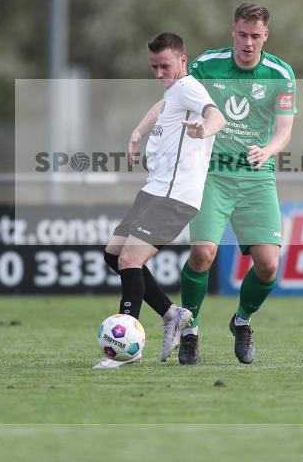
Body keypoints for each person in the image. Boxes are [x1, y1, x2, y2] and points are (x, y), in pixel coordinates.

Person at [131, 3, 296, 365]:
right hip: (211, 174)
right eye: (242, 34)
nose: (248, 43)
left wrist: (267, 150)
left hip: (256, 177)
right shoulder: (207, 64)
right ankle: (189, 329)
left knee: (268, 266)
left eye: (255, 36)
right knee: (203, 254)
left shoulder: (281, 74)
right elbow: (171, 99)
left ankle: (242, 321)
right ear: (232, 31)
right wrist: (141, 131)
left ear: (266, 35)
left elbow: (284, 132)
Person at [93, 32, 226, 370]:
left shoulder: (190, 86)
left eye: (165, 66)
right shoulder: (175, 90)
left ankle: (127, 348)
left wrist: (204, 130)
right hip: (155, 190)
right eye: (153, 67)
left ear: (183, 61)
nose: (158, 73)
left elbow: (217, 115)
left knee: (129, 260)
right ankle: (172, 314)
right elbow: (164, 103)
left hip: (176, 195)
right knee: (113, 255)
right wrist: (138, 132)